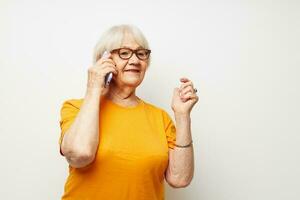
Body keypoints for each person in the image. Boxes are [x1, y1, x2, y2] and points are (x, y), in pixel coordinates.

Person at [58, 24, 199, 200]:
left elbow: (180, 178)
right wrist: (94, 88)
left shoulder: (160, 118)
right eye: (124, 53)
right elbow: (79, 155)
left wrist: (182, 116)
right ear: (104, 60)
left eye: (141, 54)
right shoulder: (76, 108)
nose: (135, 60)